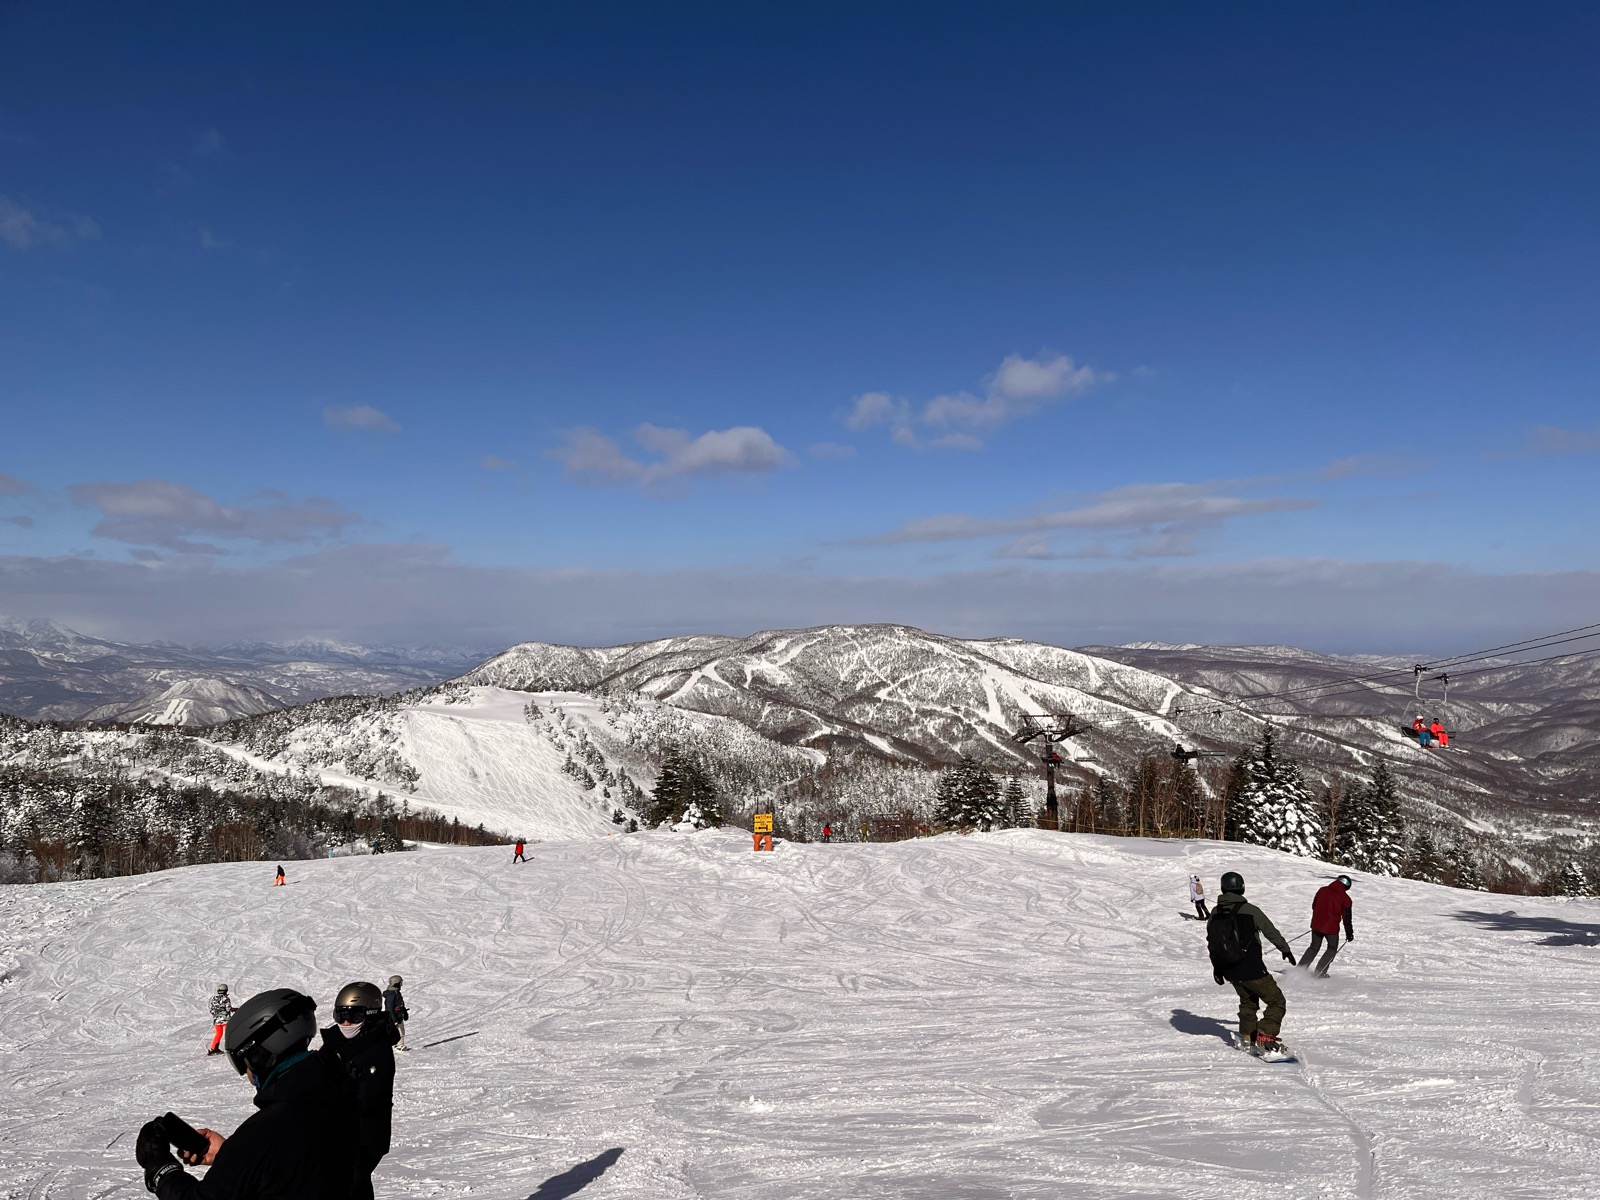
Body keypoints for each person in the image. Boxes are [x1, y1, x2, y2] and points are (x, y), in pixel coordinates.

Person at [135, 988, 359, 1198]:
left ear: (258, 1054)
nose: (246, 1074)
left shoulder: (269, 1129)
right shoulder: (339, 1097)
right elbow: (289, 1166)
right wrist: (230, 1154)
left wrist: (161, 1169)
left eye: (242, 1063)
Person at [320, 982, 399, 1200]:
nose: (346, 1023)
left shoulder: (378, 1050)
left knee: (349, 1182)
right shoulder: (335, 1044)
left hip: (365, 1137)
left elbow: (370, 1099)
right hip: (336, 1134)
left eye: (354, 1017)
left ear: (371, 1015)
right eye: (340, 1016)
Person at [1208, 871, 1297, 1056]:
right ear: (1241, 887)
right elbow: (1270, 931)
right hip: (1251, 968)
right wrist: (1285, 949)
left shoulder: (1216, 912)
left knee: (1248, 1001)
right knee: (1276, 1001)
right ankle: (1265, 1036)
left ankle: (1247, 1038)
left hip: (1230, 970)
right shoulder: (1250, 910)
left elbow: (1213, 943)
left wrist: (1217, 968)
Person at [1299, 874, 1355, 977]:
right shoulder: (1345, 899)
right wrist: (1349, 933)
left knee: (1314, 947)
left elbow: (1314, 906)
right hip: (1331, 929)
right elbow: (1347, 918)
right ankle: (1319, 972)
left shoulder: (1322, 890)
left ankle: (1300, 970)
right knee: (1332, 949)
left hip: (1316, 925)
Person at [383, 975, 409, 1052]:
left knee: (401, 1030)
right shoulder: (391, 995)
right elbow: (389, 1008)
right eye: (400, 983)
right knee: (399, 1031)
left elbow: (400, 1004)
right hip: (395, 1016)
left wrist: (404, 1012)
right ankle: (400, 1045)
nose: (401, 985)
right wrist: (394, 1019)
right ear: (396, 983)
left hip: (399, 1015)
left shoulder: (397, 993)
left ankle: (398, 1044)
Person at [208, 983, 235, 1056]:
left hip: (217, 1020)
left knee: (218, 1034)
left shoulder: (214, 998)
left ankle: (213, 1048)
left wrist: (216, 1015)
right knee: (230, 1033)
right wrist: (234, 1009)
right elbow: (228, 1009)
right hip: (225, 1019)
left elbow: (211, 1010)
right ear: (226, 990)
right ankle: (232, 1047)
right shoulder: (226, 999)